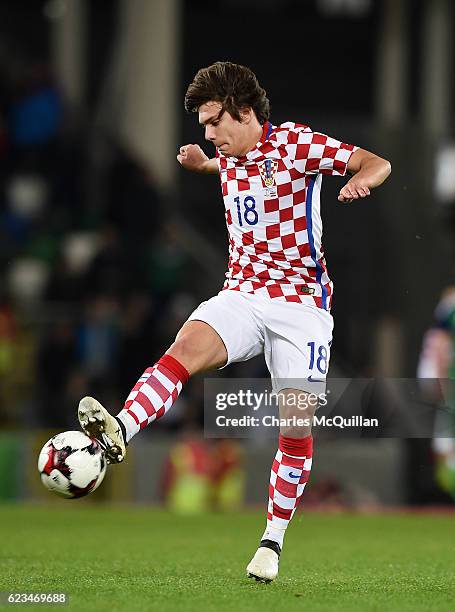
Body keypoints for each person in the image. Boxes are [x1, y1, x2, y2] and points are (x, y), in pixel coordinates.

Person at [78, 62, 391, 582]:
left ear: (244, 113)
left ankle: (271, 541)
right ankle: (119, 432)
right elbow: (234, 173)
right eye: (203, 125)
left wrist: (361, 182)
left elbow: (375, 161)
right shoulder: (228, 156)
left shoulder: (294, 143)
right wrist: (204, 163)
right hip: (243, 293)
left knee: (295, 425)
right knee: (185, 346)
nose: (208, 133)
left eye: (214, 121)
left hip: (301, 307)